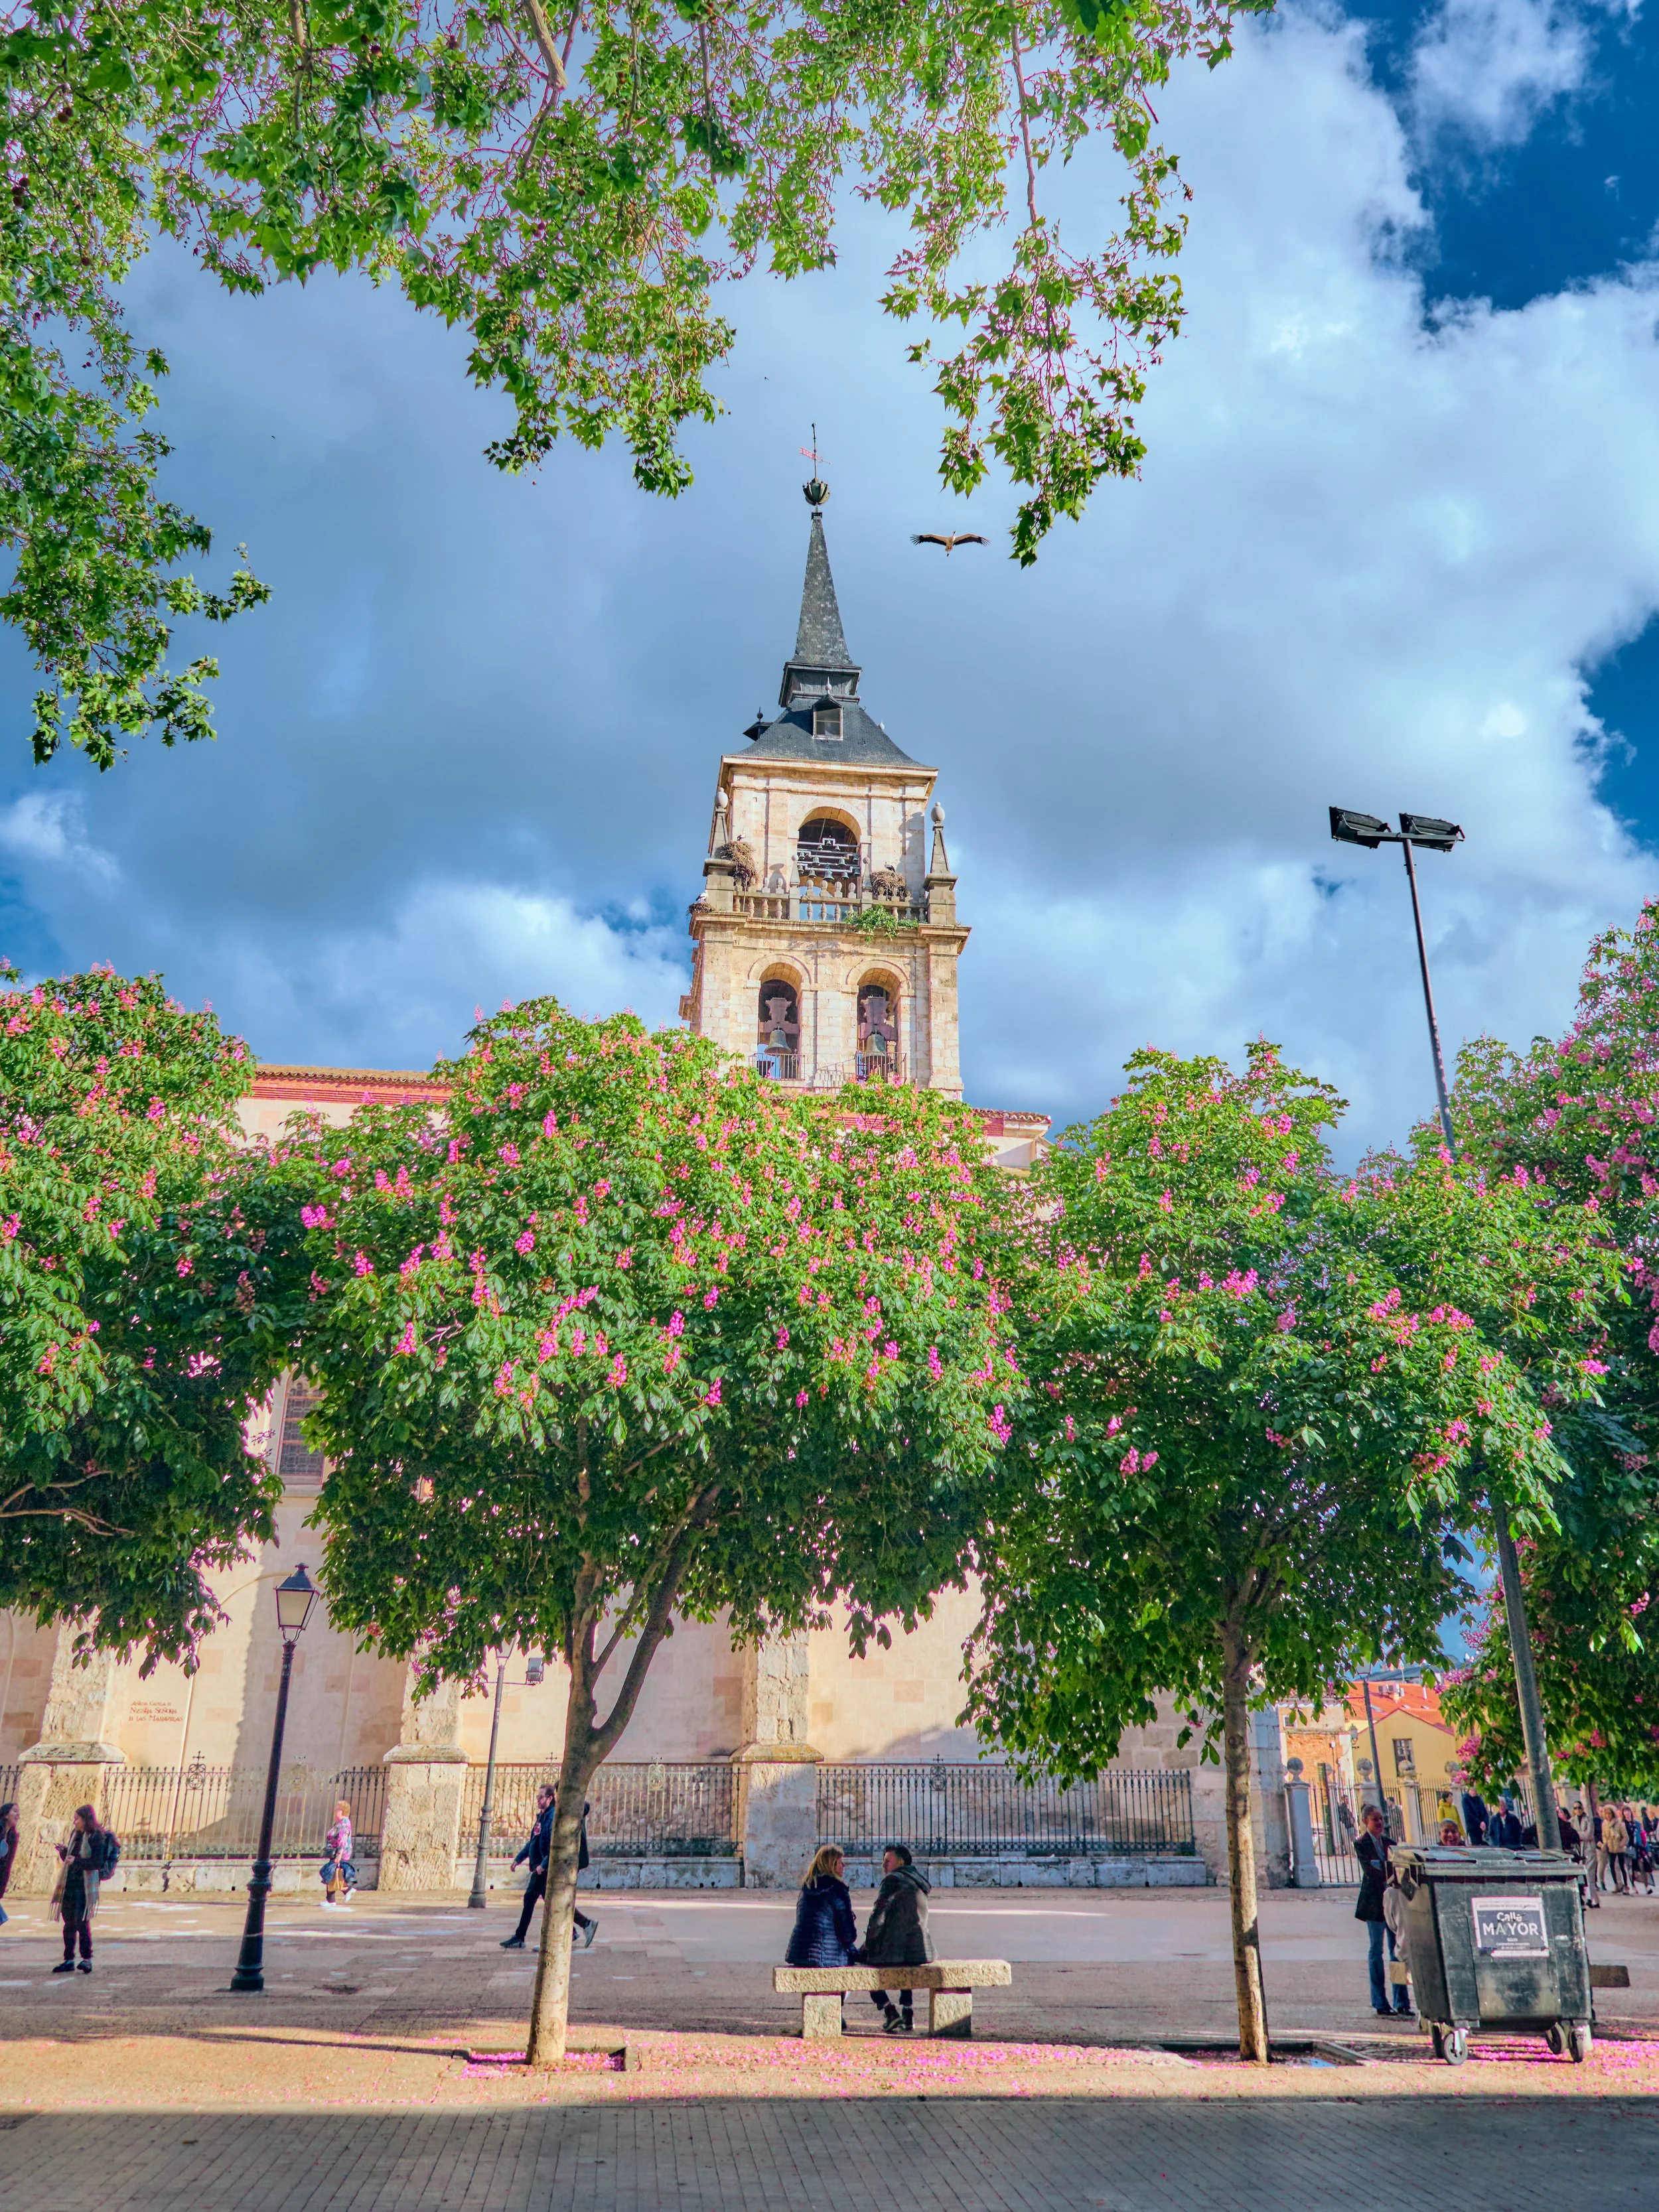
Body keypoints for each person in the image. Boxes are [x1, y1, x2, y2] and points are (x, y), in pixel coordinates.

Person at [501, 1783, 597, 1951]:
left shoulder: (554, 1816)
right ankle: (575, 1929)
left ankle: (577, 1928)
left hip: (546, 1868)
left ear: (551, 1798)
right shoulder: (543, 1816)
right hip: (540, 1867)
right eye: (537, 1797)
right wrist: (520, 1858)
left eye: (541, 1797)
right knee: (537, 1900)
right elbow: (535, 1840)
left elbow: (556, 1844)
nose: (537, 1800)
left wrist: (544, 1865)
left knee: (551, 1903)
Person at [859, 1842, 932, 2034]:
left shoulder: (892, 1879)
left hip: (898, 1949)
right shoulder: (919, 1881)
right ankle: (908, 2011)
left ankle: (889, 2011)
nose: (884, 1865)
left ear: (899, 1862)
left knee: (861, 1965)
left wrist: (869, 1943)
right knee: (904, 1960)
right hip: (922, 1951)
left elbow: (878, 1916)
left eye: (887, 1861)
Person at [786, 1844, 859, 2016]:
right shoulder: (837, 1889)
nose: (844, 1867)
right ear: (832, 1865)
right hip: (826, 1956)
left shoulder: (807, 1887)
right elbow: (848, 1935)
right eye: (841, 1863)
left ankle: (825, 2013)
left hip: (801, 1953)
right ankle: (832, 2013)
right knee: (852, 1960)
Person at [1355, 1805, 1411, 2019]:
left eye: (1381, 1819)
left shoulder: (1390, 1844)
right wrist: (1386, 1868)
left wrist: (1386, 1868)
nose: (1379, 1823)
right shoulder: (1362, 1844)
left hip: (1392, 1902)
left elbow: (1397, 1868)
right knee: (1375, 1952)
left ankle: (1401, 2001)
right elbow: (1371, 1870)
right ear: (1365, 1822)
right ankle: (1379, 2000)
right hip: (1373, 1904)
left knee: (1396, 1951)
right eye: (1374, 1819)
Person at [52, 1804, 118, 1973]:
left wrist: (77, 1861)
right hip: (70, 1883)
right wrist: (65, 1853)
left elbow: (96, 1863)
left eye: (77, 1819)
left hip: (85, 1886)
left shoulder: (96, 1837)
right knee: (68, 1924)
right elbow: (71, 1858)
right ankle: (68, 1959)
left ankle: (87, 1959)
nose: (75, 1822)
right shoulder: (76, 1835)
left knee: (82, 1923)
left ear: (86, 1819)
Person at [1603, 1803, 1629, 1893]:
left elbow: (1626, 1836)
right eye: (1606, 1814)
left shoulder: (1619, 1824)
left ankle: (1626, 1885)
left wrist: (1621, 1844)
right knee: (1612, 1866)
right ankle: (1616, 1885)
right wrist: (1605, 1844)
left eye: (1609, 1813)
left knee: (1622, 1867)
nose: (1608, 1816)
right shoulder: (1605, 1824)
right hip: (1611, 1848)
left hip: (1619, 1848)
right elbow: (1604, 1836)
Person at [0, 1801, 18, 1926]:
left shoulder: (13, 1836)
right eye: (15, 1811)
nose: (18, 1815)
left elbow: (8, 1865)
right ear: (6, 1815)